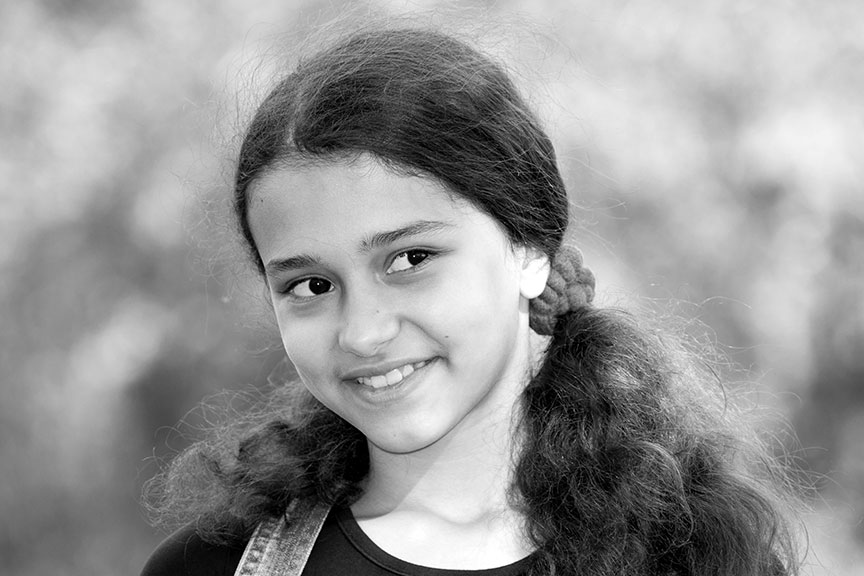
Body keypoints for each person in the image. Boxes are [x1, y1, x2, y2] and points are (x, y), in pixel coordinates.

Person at [141, 24, 802, 576]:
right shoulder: (208, 566)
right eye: (311, 286)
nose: (364, 333)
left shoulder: (698, 557)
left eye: (410, 260)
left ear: (530, 250)